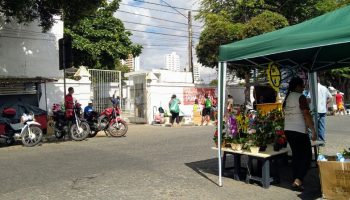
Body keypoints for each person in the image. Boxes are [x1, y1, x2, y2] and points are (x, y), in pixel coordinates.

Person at [283, 77, 316, 191]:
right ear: (297, 86)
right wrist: (313, 130)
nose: (303, 88)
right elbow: (306, 114)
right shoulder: (300, 97)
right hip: (299, 130)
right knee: (306, 156)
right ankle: (298, 179)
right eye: (302, 86)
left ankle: (296, 179)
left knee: (297, 155)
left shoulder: (287, 97)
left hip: (288, 129)